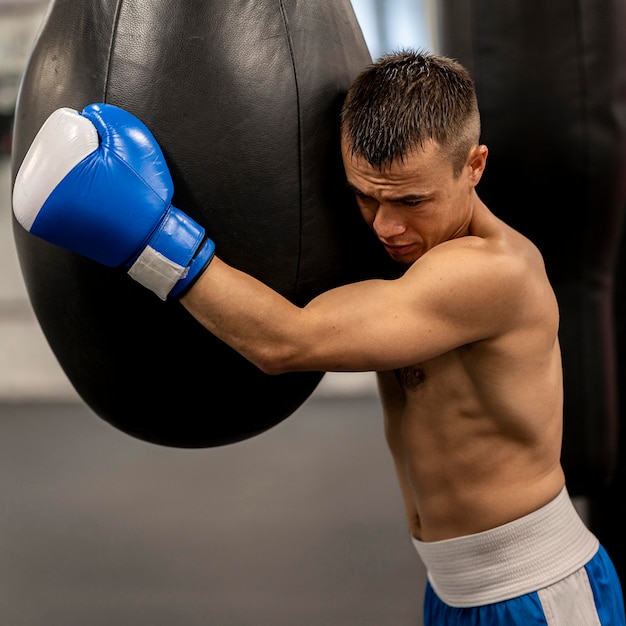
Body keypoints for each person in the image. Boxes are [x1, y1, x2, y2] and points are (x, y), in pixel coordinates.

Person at [12, 50, 625, 625]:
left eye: (411, 200)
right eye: (365, 197)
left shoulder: (493, 273)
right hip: (452, 588)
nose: (387, 225)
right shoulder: (408, 243)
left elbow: (288, 344)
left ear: (475, 166)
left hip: (535, 592)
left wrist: (148, 232)